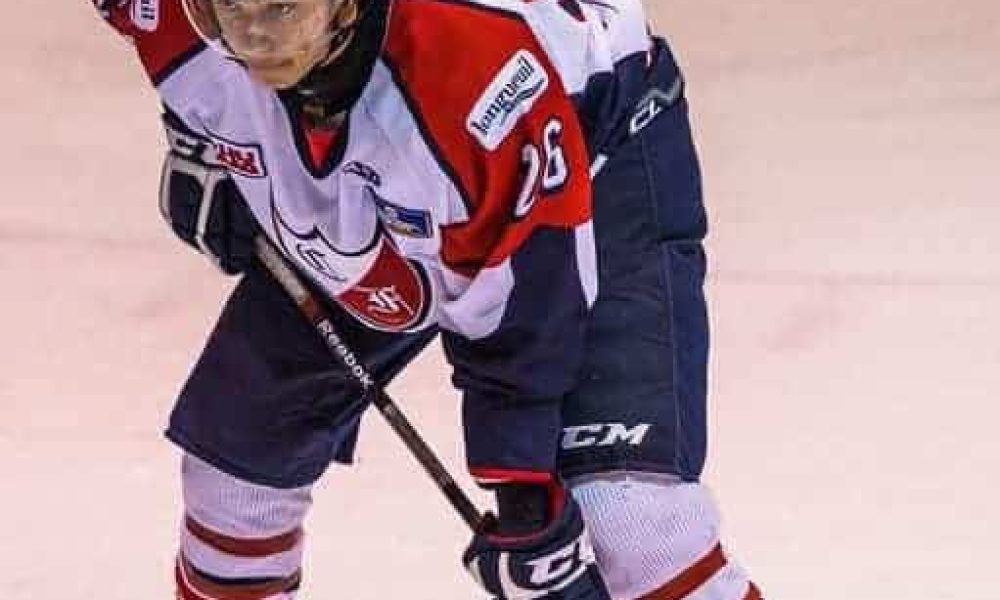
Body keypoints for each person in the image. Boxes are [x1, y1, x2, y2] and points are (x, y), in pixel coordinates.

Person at [91, 0, 762, 597]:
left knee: (630, 523)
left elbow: (529, 300)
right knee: (232, 482)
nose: (259, 39)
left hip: (586, 149)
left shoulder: (473, 72)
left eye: (282, 10)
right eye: (235, 13)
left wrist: (525, 489)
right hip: (387, 166)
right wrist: (196, 134)